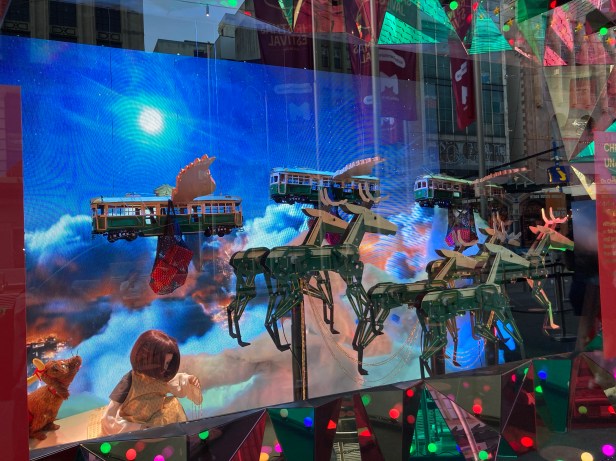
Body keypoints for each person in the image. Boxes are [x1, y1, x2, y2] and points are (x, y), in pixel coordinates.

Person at [101, 330, 202, 435]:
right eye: (161, 363)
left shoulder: (161, 378)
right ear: (147, 358)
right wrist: (137, 427)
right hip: (135, 426)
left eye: (167, 363)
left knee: (174, 405)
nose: (164, 368)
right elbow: (110, 413)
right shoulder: (130, 380)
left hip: (155, 422)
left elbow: (174, 381)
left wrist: (188, 380)